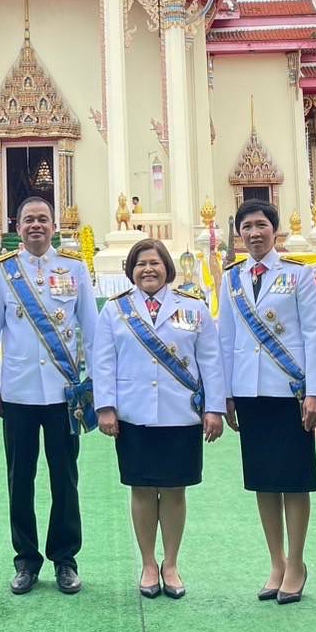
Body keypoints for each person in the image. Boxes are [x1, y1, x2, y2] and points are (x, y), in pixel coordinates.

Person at [93, 239, 225, 600]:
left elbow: (210, 361)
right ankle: (148, 563)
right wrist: (105, 407)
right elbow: (103, 362)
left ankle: (171, 563)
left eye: (154, 263)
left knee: (174, 490)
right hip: (133, 414)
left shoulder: (193, 308)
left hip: (180, 413)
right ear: (130, 271)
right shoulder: (115, 311)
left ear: (167, 266)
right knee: (141, 489)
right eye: (140, 264)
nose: (148, 270)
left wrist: (213, 408)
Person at [0, 196, 100, 596]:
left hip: (62, 390)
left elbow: (92, 330)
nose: (36, 225)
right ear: (16, 226)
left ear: (55, 225)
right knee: (20, 479)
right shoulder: (2, 271)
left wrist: (96, 386)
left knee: (65, 477)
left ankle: (65, 558)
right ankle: (26, 560)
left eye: (43, 219)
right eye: (28, 220)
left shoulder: (74, 267)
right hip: (17, 392)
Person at [218, 200, 316, 604]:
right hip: (249, 392)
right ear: (239, 234)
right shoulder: (231, 279)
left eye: (261, 225)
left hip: (290, 392)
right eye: (246, 227)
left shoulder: (297, 275)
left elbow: (315, 334)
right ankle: (276, 562)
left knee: (294, 480)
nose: (254, 233)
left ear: (275, 230)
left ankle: (297, 562)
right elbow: (224, 340)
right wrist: (225, 394)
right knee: (263, 480)